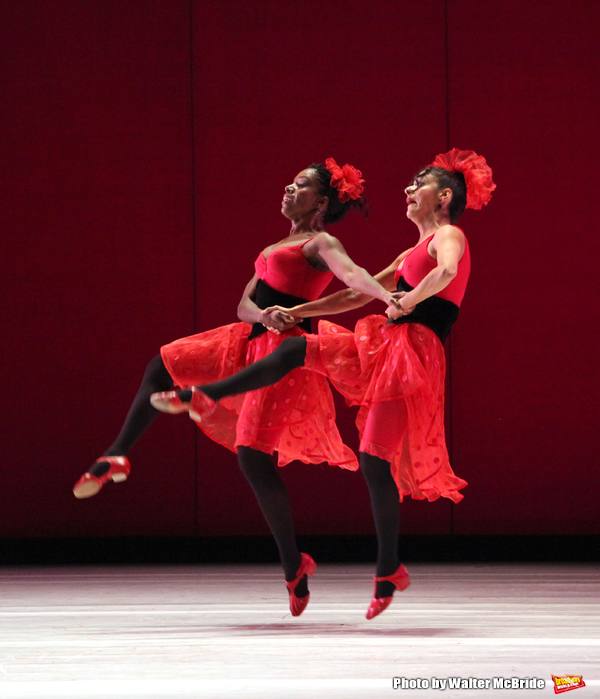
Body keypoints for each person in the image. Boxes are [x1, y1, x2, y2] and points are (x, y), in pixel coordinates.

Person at [152, 149, 496, 619]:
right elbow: (355, 292)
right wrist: (299, 313)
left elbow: (448, 271)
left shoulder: (449, 235)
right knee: (296, 348)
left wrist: (410, 299)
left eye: (419, 183)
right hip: (383, 345)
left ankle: (389, 568)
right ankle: (210, 393)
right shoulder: (409, 251)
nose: (408, 189)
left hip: (411, 356)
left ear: (445, 197)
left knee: (376, 460)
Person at [74, 158, 400, 617]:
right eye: (289, 181)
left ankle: (293, 564)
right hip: (244, 340)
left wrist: (386, 296)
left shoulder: (320, 241)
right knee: (163, 363)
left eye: (300, 185)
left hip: (283, 355)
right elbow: (245, 303)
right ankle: (118, 453)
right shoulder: (274, 245)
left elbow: (351, 278)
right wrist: (260, 314)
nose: (288, 187)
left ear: (321, 202)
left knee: (252, 456)